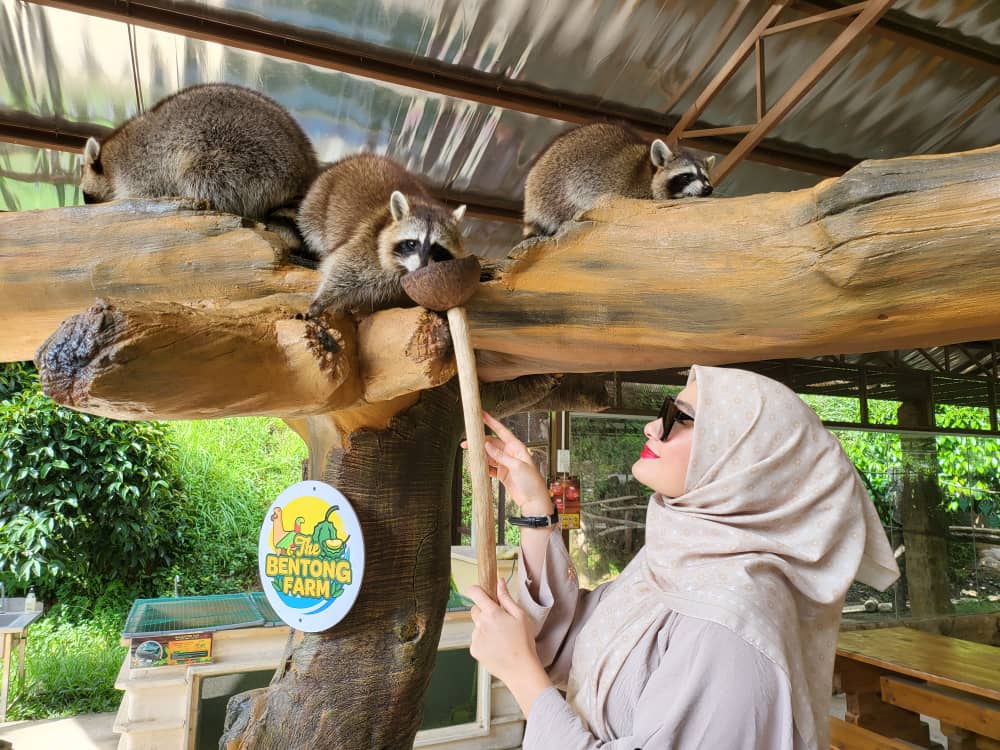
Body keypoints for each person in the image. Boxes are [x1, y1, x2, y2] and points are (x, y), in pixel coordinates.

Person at [465, 365, 899, 749]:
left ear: (739, 459)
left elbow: (540, 658)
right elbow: (577, 642)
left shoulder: (733, 624)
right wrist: (537, 510)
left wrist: (522, 676)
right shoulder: (686, 557)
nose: (652, 428)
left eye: (679, 419)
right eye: (663, 412)